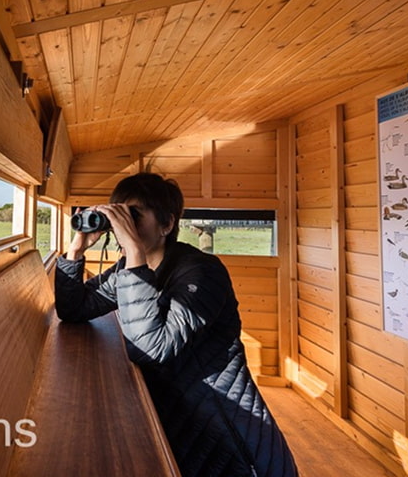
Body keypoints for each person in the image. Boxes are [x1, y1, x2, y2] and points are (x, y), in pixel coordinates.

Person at [55, 173, 298, 477]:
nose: (122, 225)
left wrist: (133, 252)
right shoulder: (130, 270)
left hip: (228, 436)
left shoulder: (203, 272)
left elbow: (152, 348)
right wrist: (76, 250)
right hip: (179, 420)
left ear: (167, 224)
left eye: (133, 215)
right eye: (117, 215)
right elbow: (73, 308)